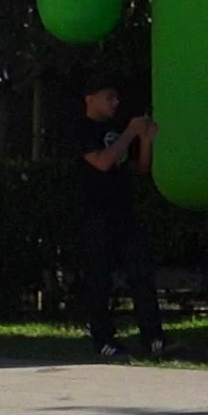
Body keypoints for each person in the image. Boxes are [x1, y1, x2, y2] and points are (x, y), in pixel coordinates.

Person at [73, 80, 164, 357]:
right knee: (99, 279)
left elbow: (140, 166)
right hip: (93, 214)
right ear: (90, 98)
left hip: (124, 211)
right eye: (109, 97)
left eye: (117, 98)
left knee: (140, 273)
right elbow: (101, 162)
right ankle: (103, 339)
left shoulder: (117, 129)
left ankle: (153, 338)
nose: (115, 103)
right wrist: (129, 133)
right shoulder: (82, 129)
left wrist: (145, 139)